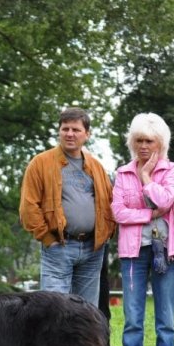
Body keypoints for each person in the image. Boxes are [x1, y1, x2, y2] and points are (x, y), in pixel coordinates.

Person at [112, 113, 174, 346]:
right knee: (132, 320)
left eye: (149, 141)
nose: (143, 146)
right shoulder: (121, 172)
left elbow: (165, 201)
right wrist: (148, 214)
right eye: (139, 140)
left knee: (166, 321)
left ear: (160, 143)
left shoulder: (173, 170)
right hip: (132, 254)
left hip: (164, 251)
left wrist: (145, 177)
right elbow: (117, 212)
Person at [19, 107, 115, 306]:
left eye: (76, 129)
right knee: (52, 311)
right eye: (65, 129)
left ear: (87, 134)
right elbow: (29, 208)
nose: (70, 134)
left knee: (87, 313)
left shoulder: (96, 167)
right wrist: (48, 239)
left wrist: (105, 235)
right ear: (59, 131)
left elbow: (110, 203)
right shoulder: (40, 163)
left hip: (93, 249)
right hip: (59, 247)